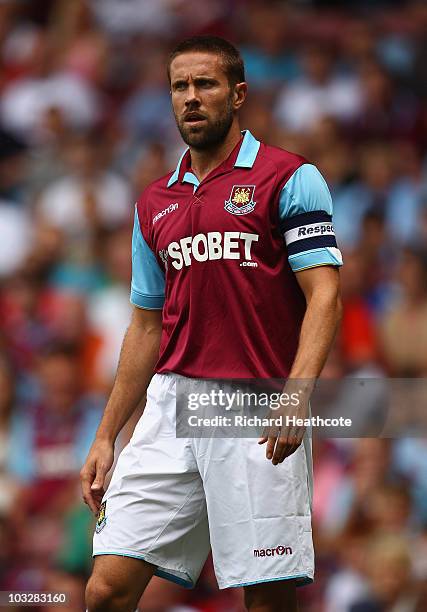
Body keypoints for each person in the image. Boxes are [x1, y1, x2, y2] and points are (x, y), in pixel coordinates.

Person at [80, 36, 343, 612]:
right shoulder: (154, 202)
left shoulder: (290, 178)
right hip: (170, 404)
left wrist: (299, 394)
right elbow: (146, 326)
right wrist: (106, 434)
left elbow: (325, 296)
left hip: (256, 402)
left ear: (238, 94)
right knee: (104, 591)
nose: (191, 98)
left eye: (206, 84)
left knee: (266, 596)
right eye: (180, 87)